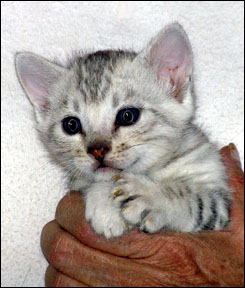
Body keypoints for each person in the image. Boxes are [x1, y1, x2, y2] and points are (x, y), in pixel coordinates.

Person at [41, 144, 244, 287]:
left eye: (127, 116)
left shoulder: (194, 152)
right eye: (72, 125)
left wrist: (168, 201)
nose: (97, 149)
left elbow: (220, 213)